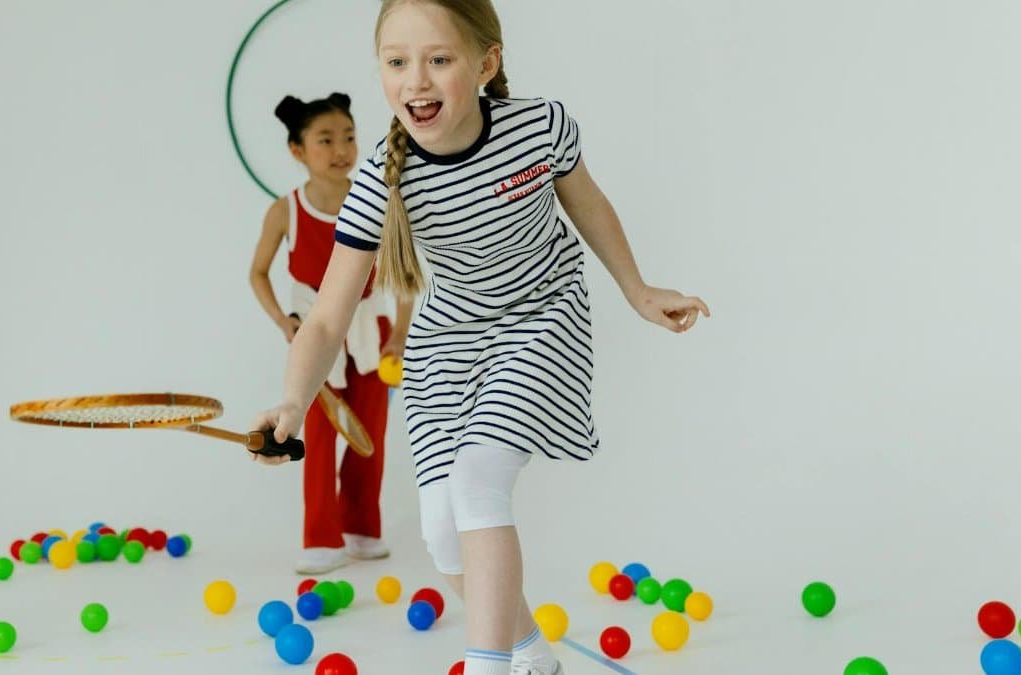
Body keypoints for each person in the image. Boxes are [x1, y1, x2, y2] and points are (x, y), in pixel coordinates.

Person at [252, 2, 709, 672]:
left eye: (439, 59)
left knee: (476, 486)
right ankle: (532, 654)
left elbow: (587, 202)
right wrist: (293, 401)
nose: (417, 81)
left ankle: (489, 662)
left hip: (542, 319)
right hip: (448, 338)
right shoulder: (382, 175)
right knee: (442, 528)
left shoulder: (538, 126)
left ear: (486, 61)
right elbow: (324, 317)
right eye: (397, 62)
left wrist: (637, 289)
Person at [249, 92, 413, 575]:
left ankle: (362, 527)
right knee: (315, 439)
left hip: (371, 336)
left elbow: (402, 272)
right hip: (314, 337)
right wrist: (284, 320)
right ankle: (320, 536)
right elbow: (257, 273)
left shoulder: (376, 199)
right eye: (325, 140)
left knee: (370, 438)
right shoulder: (286, 211)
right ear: (297, 151)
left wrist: (399, 334)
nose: (341, 148)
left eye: (349, 136)